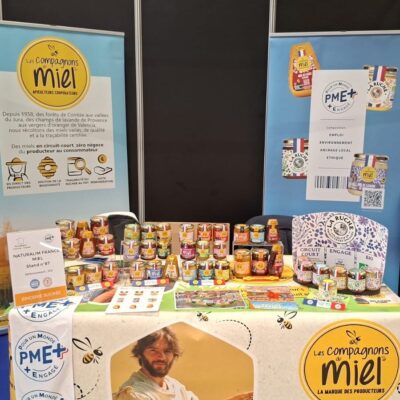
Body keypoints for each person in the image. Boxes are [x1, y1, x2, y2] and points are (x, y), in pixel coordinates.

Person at [114, 327, 198, 400]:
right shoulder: (134, 393)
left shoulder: (177, 388)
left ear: (174, 355)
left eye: (167, 351)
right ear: (140, 353)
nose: (162, 357)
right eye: (153, 350)